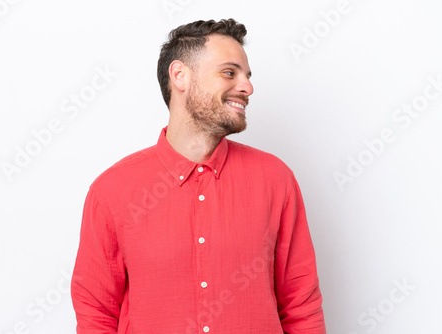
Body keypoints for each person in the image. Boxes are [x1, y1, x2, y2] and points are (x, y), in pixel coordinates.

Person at [71, 18, 326, 334]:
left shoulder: (276, 179)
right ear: (180, 76)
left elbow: (302, 307)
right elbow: (96, 313)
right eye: (229, 73)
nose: (247, 87)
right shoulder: (112, 190)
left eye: (247, 76)